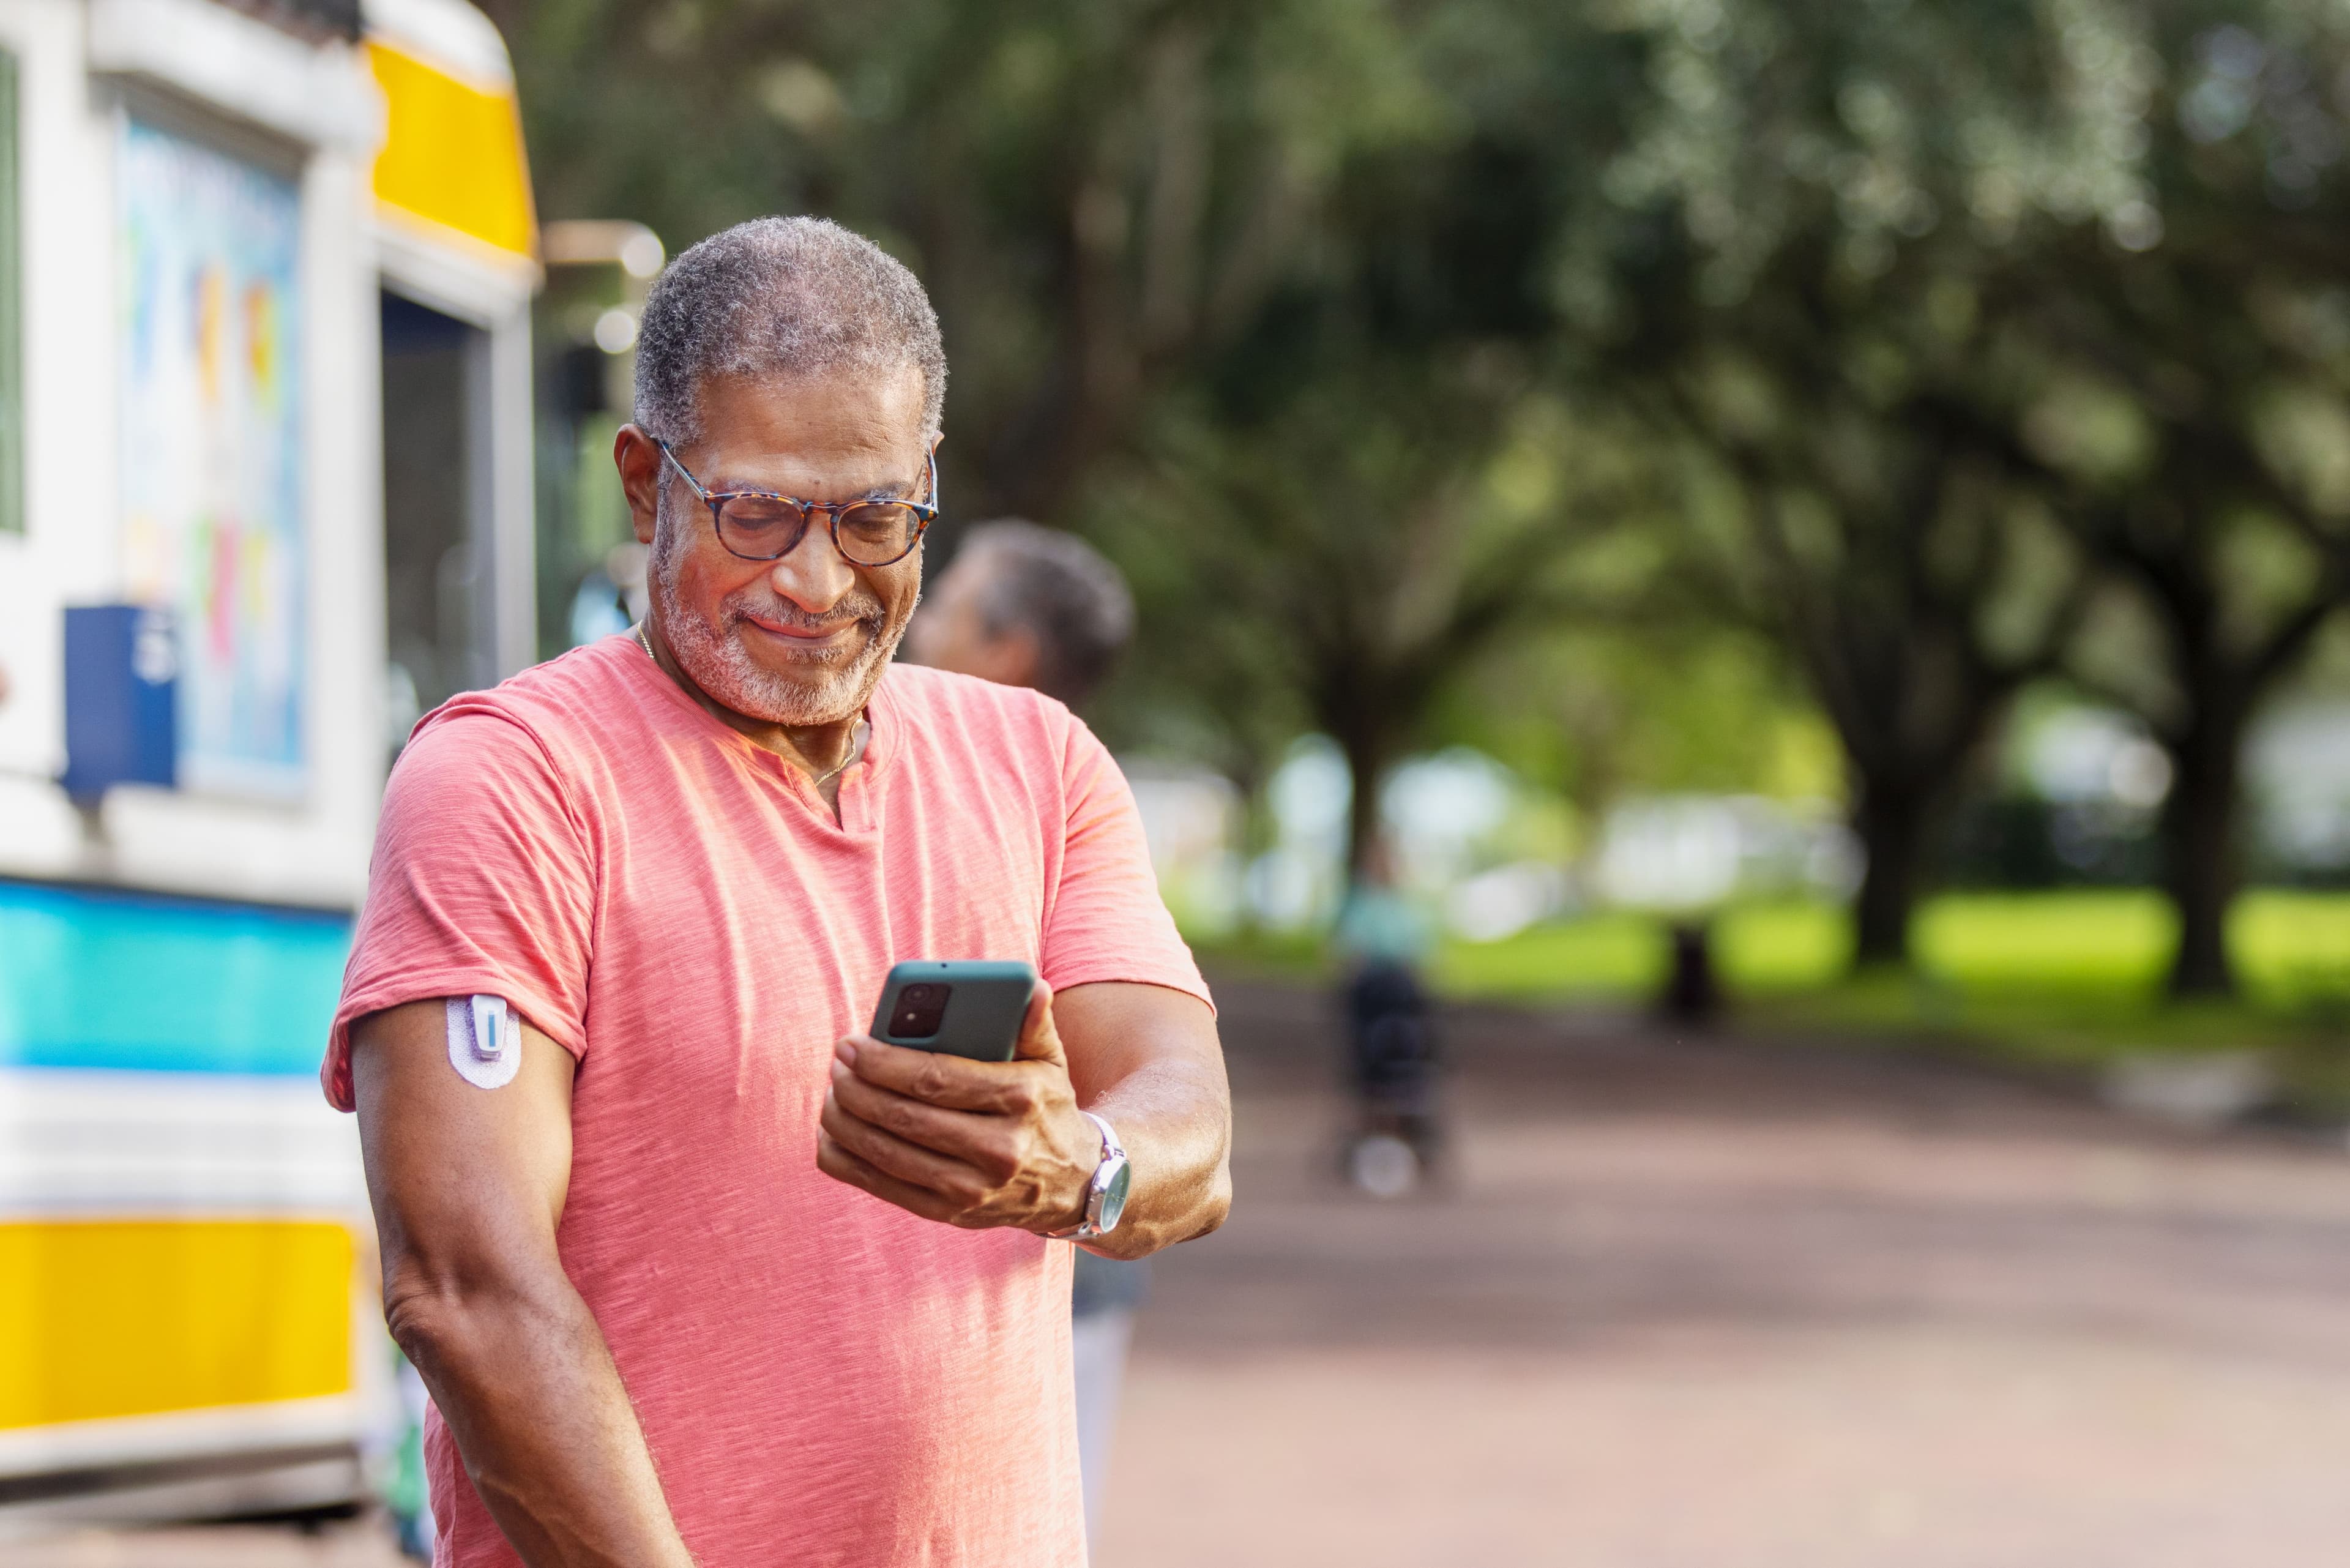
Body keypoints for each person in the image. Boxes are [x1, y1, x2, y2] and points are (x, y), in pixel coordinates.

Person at [326, 216, 1233, 1568]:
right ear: (647, 486)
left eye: (872, 516)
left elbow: (1188, 1128)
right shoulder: (510, 784)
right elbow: (467, 1292)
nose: (816, 583)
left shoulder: (1035, 763)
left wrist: (1075, 1170)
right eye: (755, 514)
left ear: (926, 481)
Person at [908, 521, 1144, 1544]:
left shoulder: (1041, 809)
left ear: (1006, 652)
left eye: (947, 596)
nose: (915, 615)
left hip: (1028, 1254)